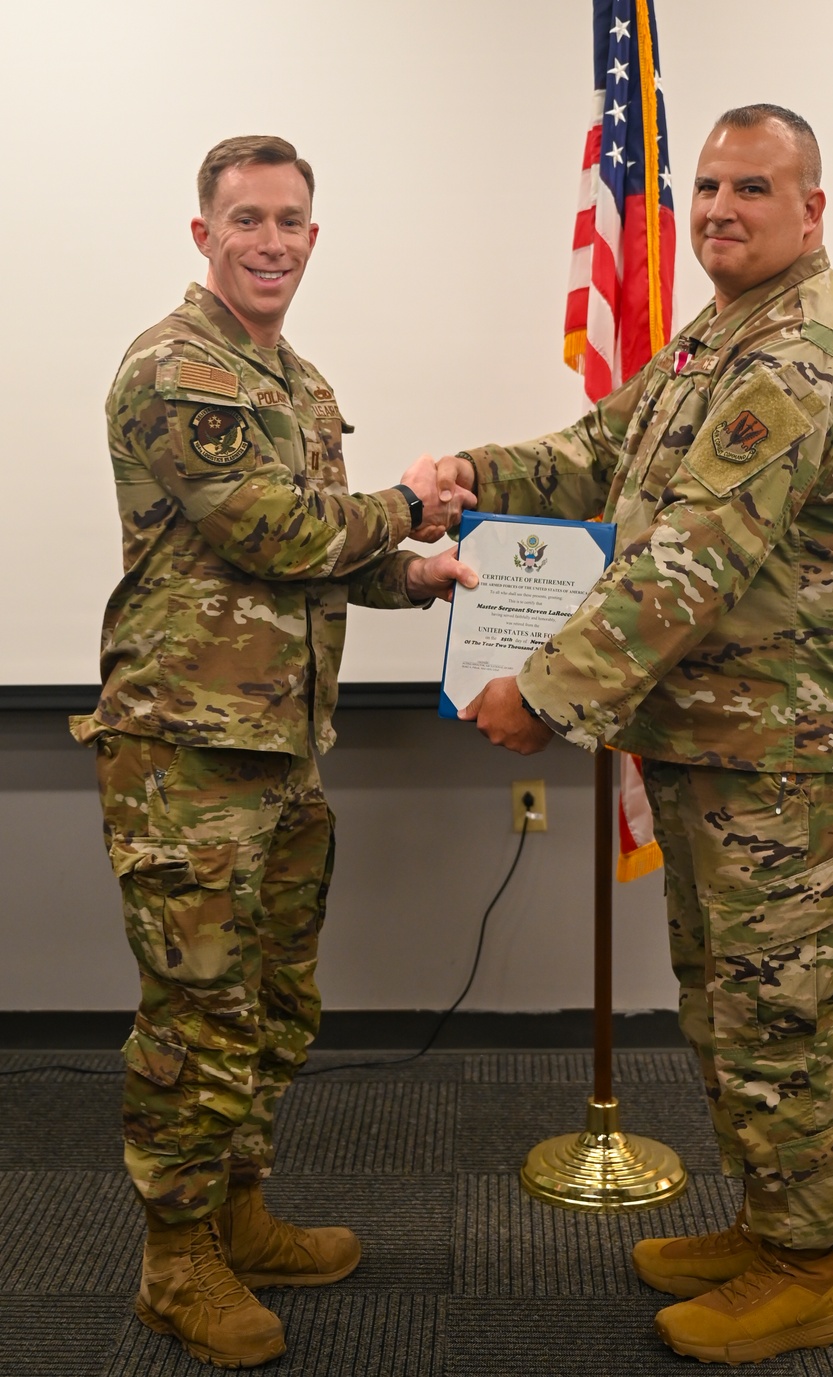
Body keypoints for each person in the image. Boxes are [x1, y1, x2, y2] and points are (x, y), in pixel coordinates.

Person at [439, 105, 833, 1365]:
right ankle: (767, 1230)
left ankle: (810, 1269)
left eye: (750, 187)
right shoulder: (722, 334)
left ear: (810, 211)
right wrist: (478, 473)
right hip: (719, 744)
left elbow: (686, 568)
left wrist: (536, 691)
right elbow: (607, 449)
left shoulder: (798, 355)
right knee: (724, 1007)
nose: (716, 207)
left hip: (786, 760)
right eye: (705, 184)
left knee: (782, 1017)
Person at [70, 135, 476, 1369]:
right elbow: (271, 531)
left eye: (292, 220)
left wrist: (426, 574)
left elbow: (330, 560)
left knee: (273, 1004)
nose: (272, 241)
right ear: (205, 235)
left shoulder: (295, 382)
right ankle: (174, 1261)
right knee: (194, 1014)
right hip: (185, 755)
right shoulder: (177, 369)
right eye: (247, 219)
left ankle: (237, 1210)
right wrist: (406, 503)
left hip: (280, 751)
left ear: (312, 235)